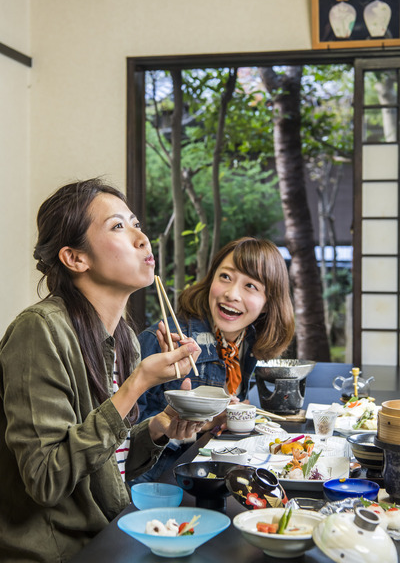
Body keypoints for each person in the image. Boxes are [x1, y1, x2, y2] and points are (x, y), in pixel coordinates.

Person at [0, 178, 204, 563]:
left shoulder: (123, 336)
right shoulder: (39, 330)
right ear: (76, 258)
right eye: (118, 227)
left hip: (110, 533)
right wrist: (137, 382)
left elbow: (110, 457)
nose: (142, 239)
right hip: (59, 551)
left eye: (136, 224)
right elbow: (45, 479)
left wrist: (161, 426)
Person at [134, 236, 295, 481]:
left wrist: (223, 416)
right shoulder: (165, 339)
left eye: (250, 286)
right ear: (211, 280)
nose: (232, 294)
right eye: (225, 277)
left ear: (267, 304)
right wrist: (195, 425)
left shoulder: (247, 342)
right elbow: (124, 441)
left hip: (216, 472)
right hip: (159, 484)